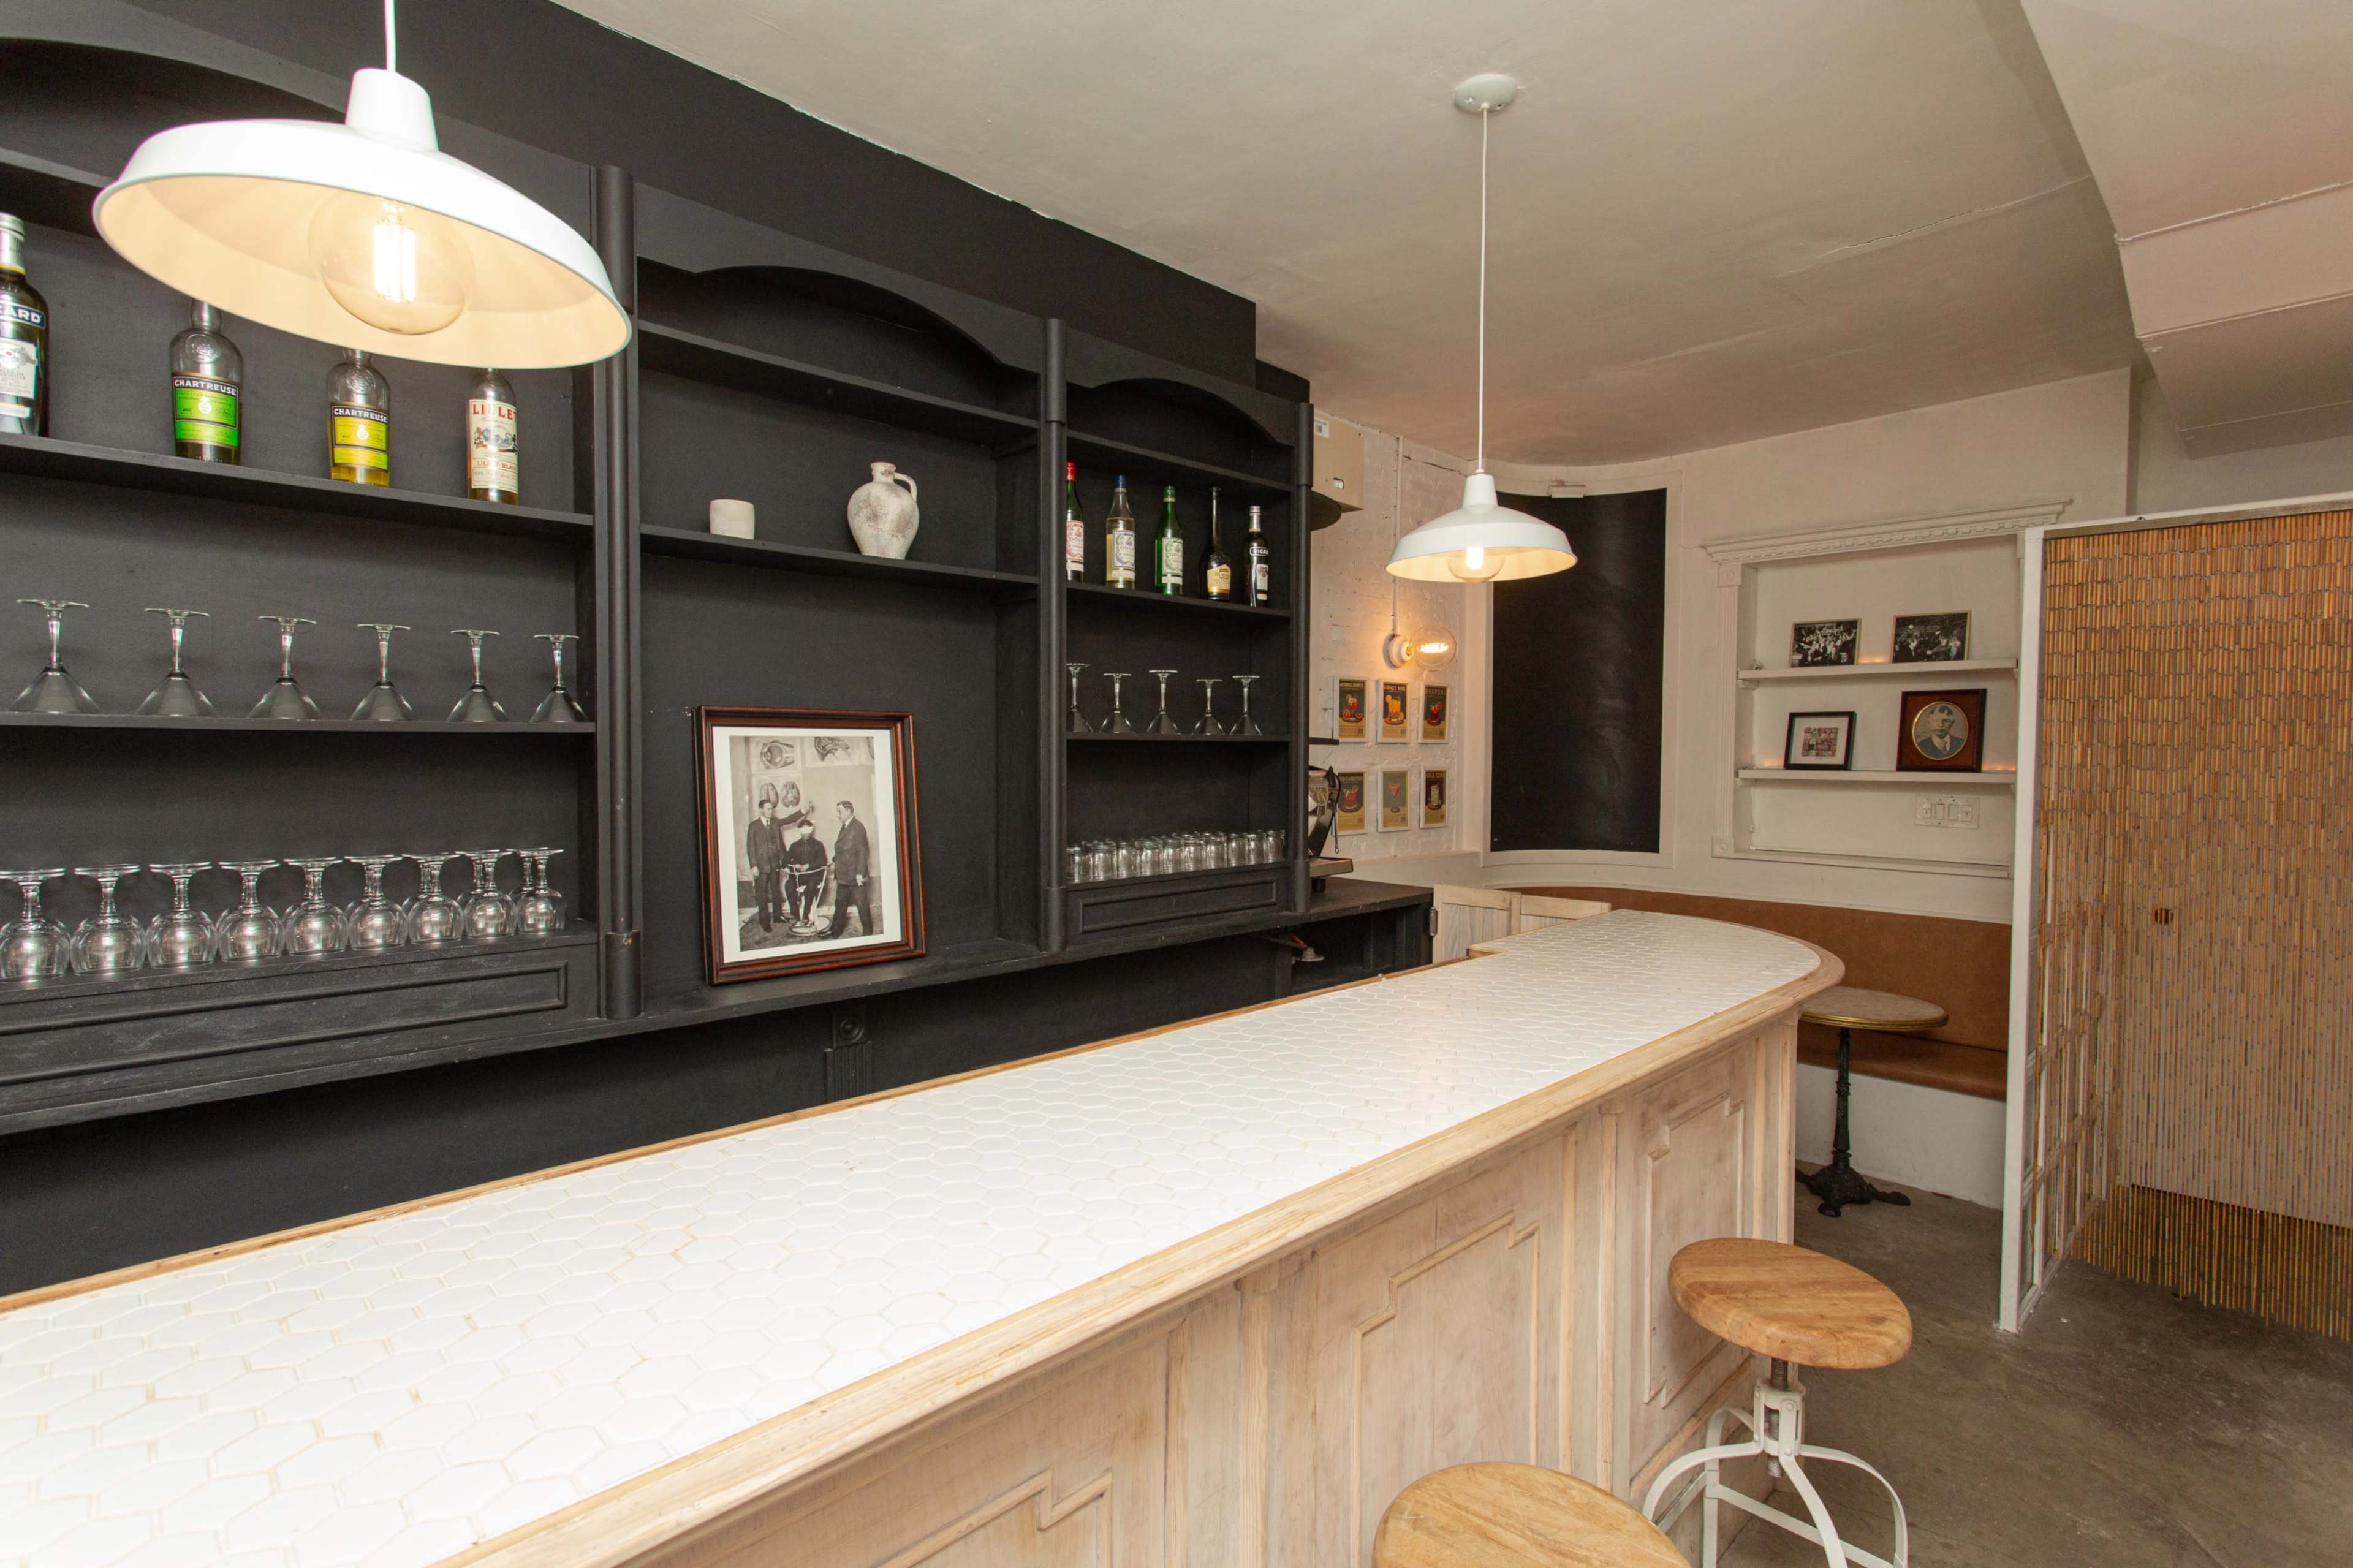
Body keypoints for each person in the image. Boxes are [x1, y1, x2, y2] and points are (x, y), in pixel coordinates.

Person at [825, 798, 877, 937]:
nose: (838, 815)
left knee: (862, 904)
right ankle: (835, 931)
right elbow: (843, 850)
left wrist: (860, 873)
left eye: (840, 811)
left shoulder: (858, 827)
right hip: (843, 875)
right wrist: (833, 861)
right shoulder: (846, 826)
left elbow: (863, 851)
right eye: (837, 812)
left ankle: (868, 933)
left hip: (855, 876)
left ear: (848, 811)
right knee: (840, 904)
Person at [744, 795, 787, 932]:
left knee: (776, 891)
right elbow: (750, 847)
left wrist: (803, 812)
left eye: (772, 809)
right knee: (761, 894)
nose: (771, 812)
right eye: (768, 809)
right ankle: (765, 922)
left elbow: (789, 819)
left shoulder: (775, 822)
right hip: (761, 867)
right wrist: (754, 866)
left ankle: (778, 916)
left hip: (775, 864)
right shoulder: (754, 826)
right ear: (761, 810)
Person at [782, 818, 828, 929]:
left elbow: (823, 861)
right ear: (801, 832)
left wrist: (809, 865)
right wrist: (794, 865)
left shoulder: (818, 845)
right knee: (788, 886)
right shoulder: (794, 846)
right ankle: (795, 915)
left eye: (808, 832)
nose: (806, 835)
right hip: (799, 877)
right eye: (804, 832)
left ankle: (805, 916)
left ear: (811, 831)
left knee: (810, 888)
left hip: (813, 875)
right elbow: (786, 860)